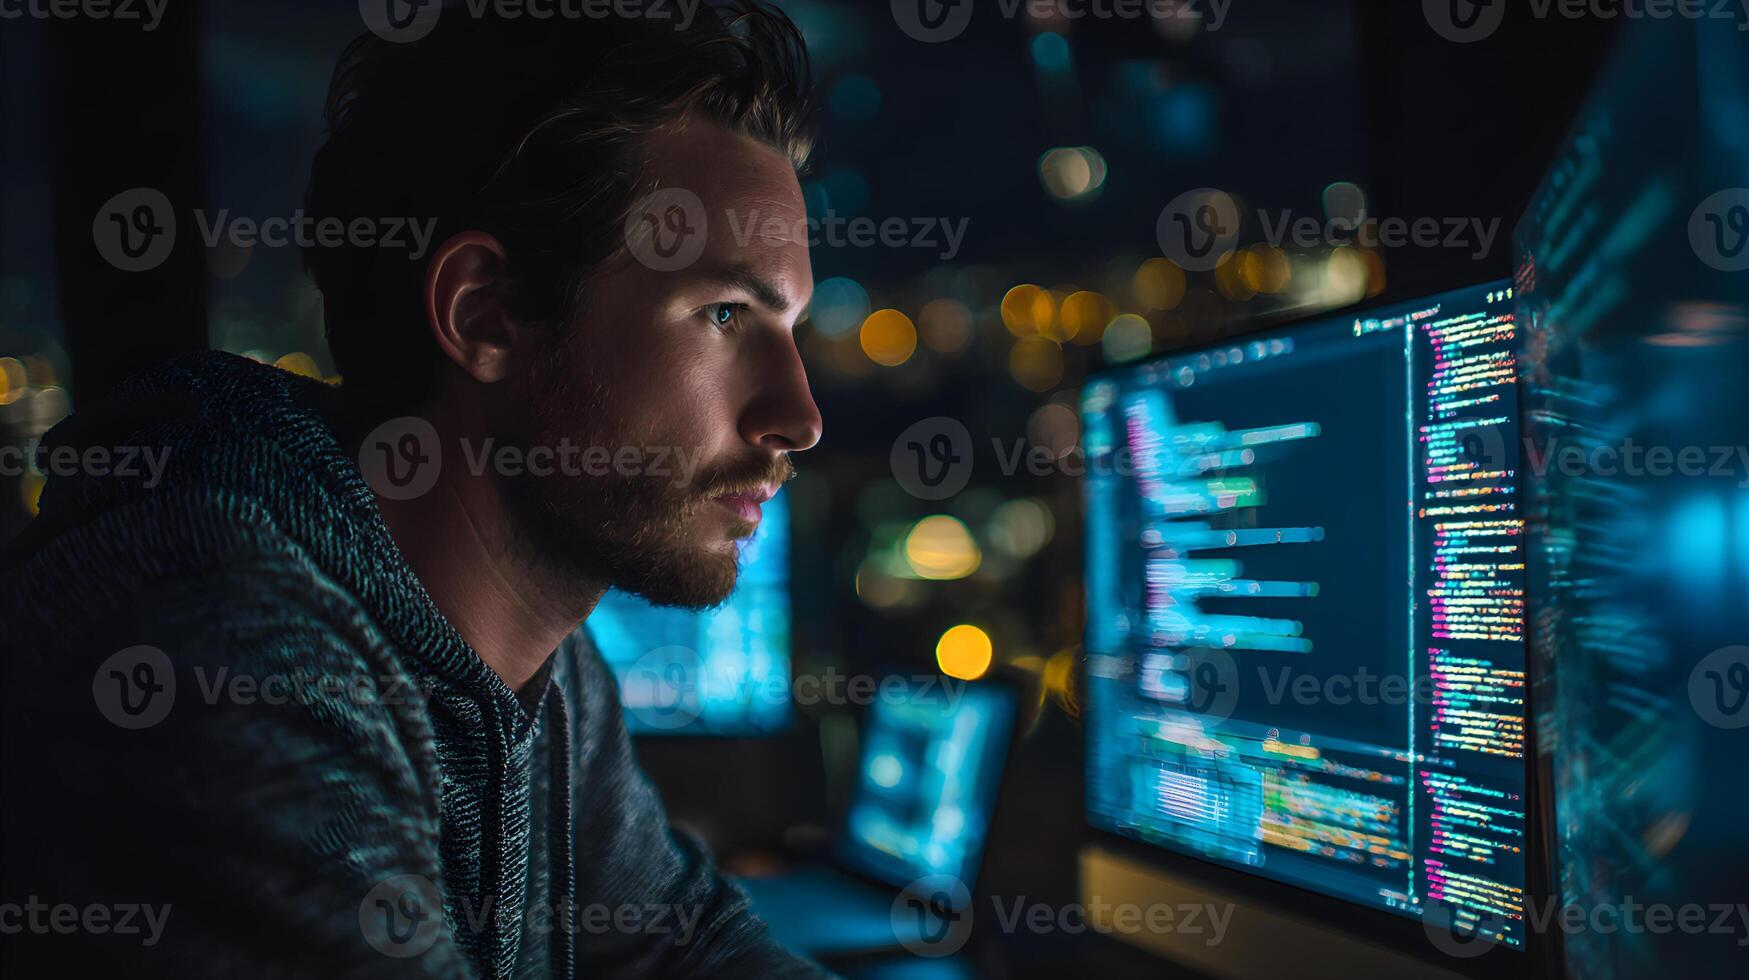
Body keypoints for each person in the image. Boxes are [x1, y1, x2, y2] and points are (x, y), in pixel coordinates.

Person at [0, 2, 824, 976]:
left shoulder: (545, 668)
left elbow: (680, 946)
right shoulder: (225, 650)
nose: (800, 416)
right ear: (485, 313)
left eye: (791, 326)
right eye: (725, 313)